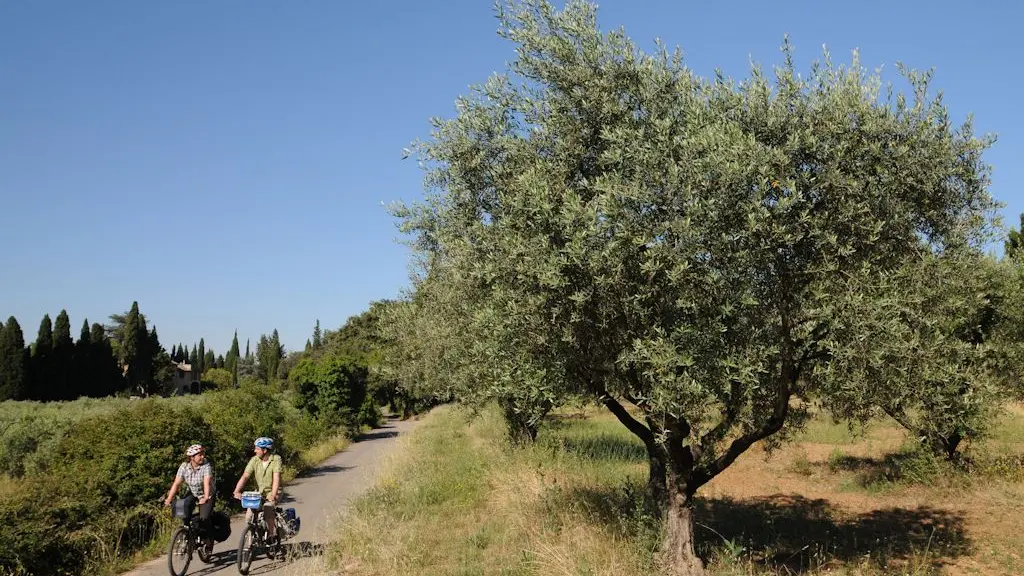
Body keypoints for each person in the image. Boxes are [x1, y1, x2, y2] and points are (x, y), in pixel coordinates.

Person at [164, 443, 215, 553]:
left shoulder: (206, 466)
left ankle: (208, 540)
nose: (202, 457)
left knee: (204, 518)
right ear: (192, 457)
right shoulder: (184, 467)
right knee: (182, 507)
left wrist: (205, 498)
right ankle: (186, 532)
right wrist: (169, 499)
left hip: (207, 494)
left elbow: (206, 483)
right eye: (199, 455)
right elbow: (176, 484)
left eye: (203, 454)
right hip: (193, 492)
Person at [233, 436, 282, 545]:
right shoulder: (254, 460)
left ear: (265, 450)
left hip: (273, 492)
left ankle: (271, 534)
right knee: (249, 515)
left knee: (268, 508)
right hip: (258, 493)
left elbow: (276, 478)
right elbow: (245, 476)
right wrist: (237, 490)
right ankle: (250, 542)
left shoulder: (276, 459)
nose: (255, 450)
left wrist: (273, 495)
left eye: (257, 448)